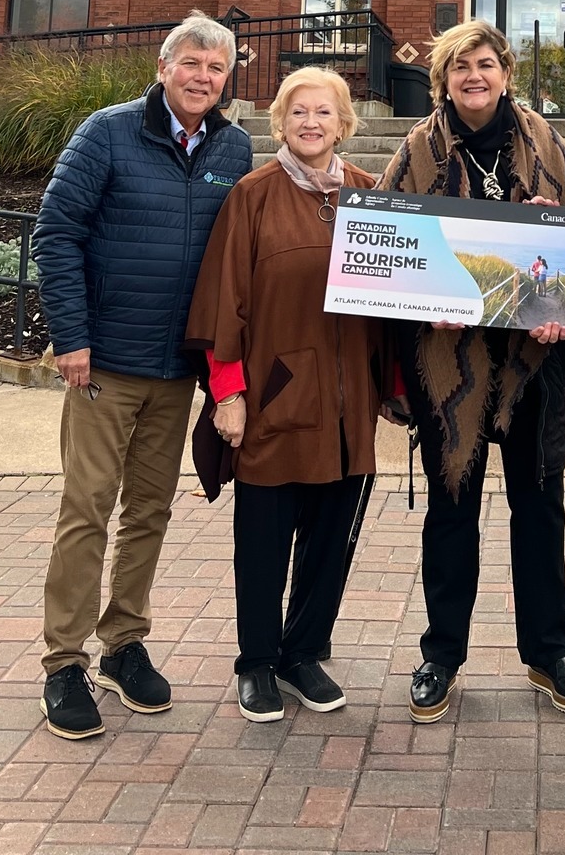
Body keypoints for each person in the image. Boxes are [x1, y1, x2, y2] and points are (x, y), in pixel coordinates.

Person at [34, 13, 253, 740]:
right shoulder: (109, 131)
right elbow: (57, 231)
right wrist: (72, 336)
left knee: (150, 512)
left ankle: (123, 643)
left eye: (216, 69)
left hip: (176, 369)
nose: (202, 78)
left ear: (228, 80)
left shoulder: (234, 144)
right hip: (105, 363)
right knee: (87, 509)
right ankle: (64, 661)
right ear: (164, 67)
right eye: (191, 63)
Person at [379, 19, 565, 725]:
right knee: (451, 515)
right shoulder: (419, 147)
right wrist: (421, 302)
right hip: (452, 367)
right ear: (442, 80)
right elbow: (380, 235)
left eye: (485, 64)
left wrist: (558, 249)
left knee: (540, 510)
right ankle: (441, 655)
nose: (474, 76)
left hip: (533, 361)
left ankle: (549, 652)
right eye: (459, 67)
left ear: (505, 72)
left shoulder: (542, 138)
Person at [185, 66, 386, 725]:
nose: (310, 123)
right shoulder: (253, 195)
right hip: (275, 398)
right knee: (265, 540)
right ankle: (256, 662)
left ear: (343, 123)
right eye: (298, 112)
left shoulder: (369, 196)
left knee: (331, 540)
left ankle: (304, 654)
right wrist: (229, 393)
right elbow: (224, 301)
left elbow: (409, 287)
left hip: (349, 403)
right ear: (280, 121)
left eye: (323, 113)